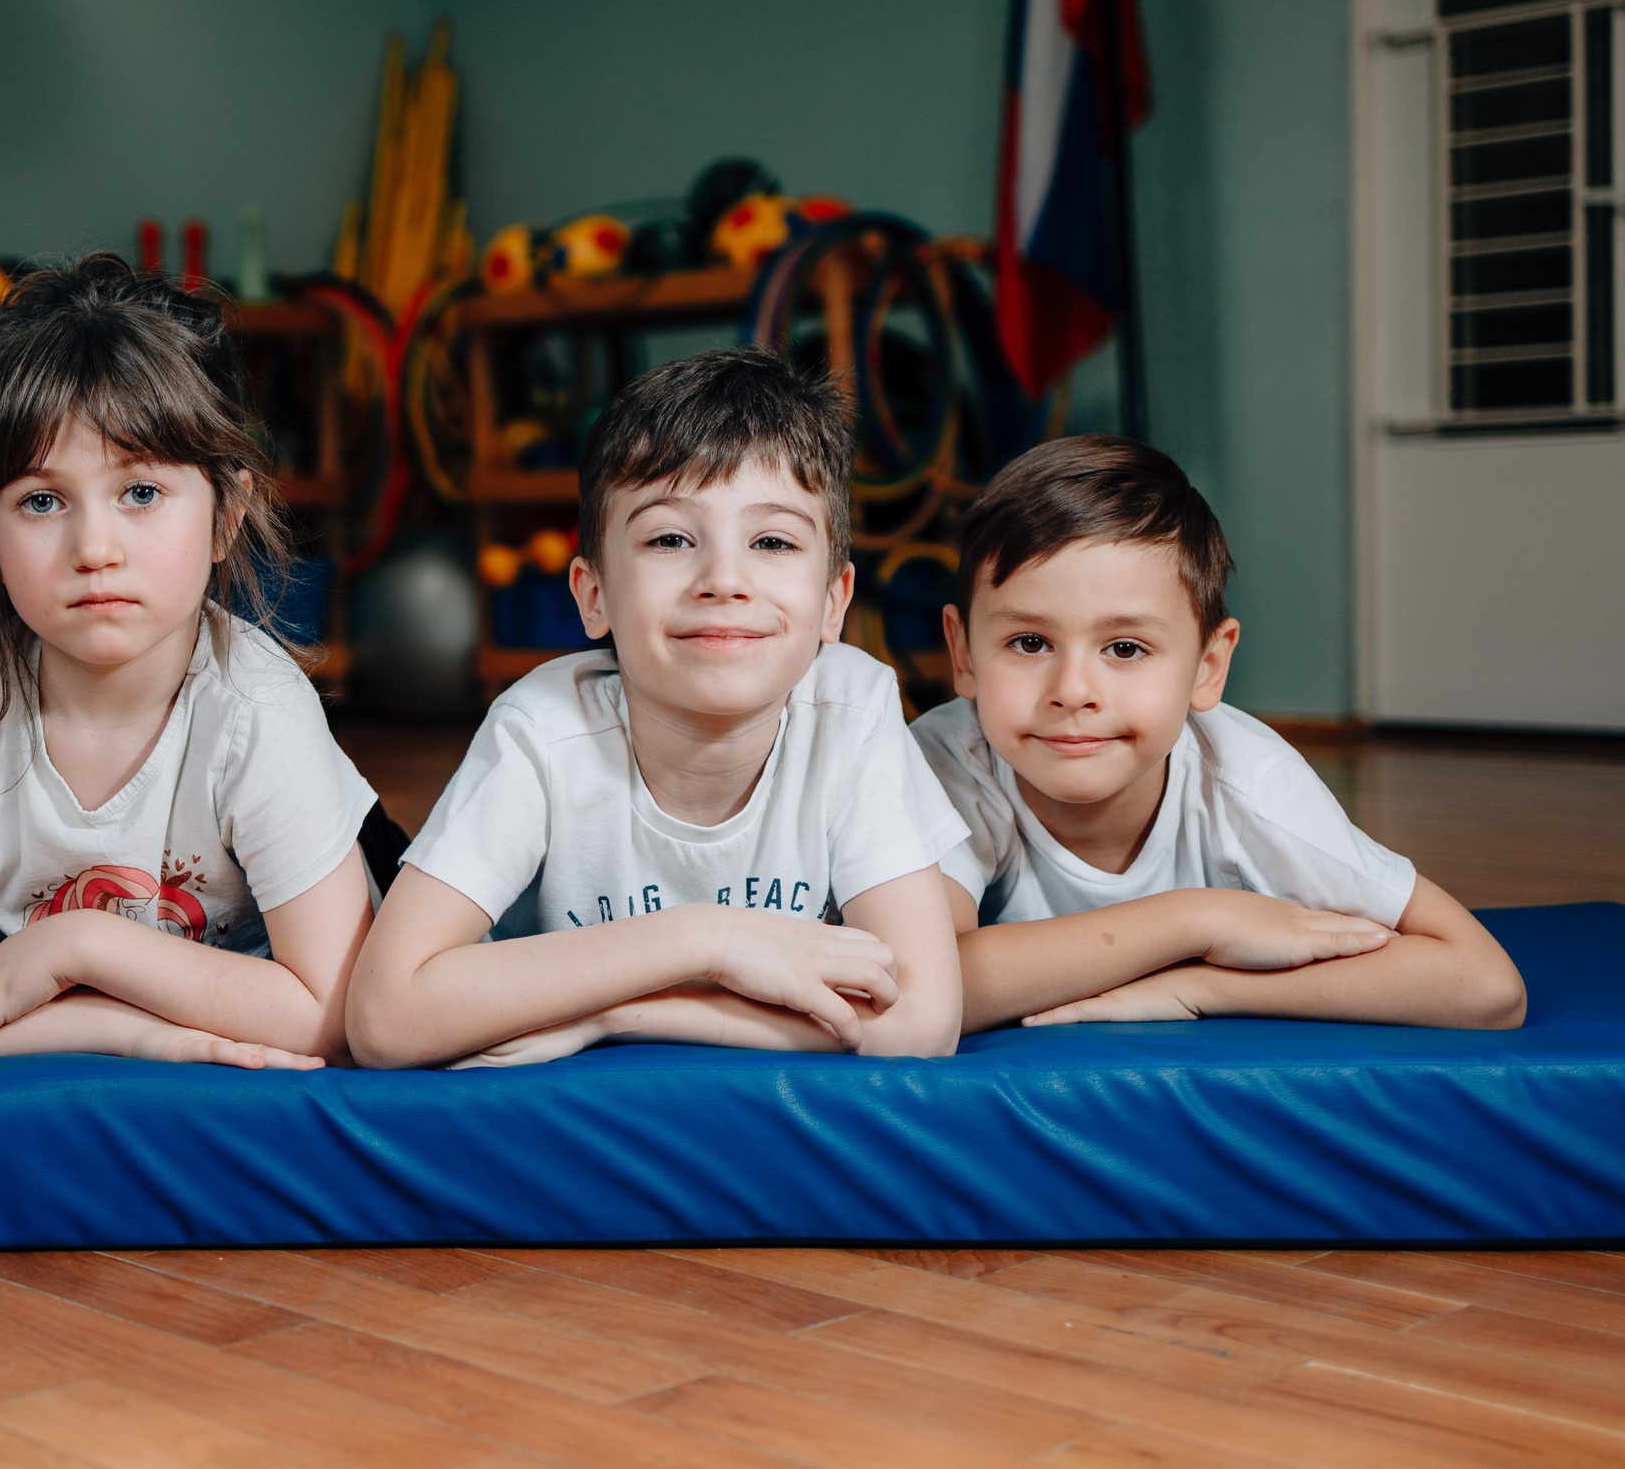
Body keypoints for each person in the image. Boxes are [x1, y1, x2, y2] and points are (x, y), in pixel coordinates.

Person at [347, 347, 968, 1070]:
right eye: (670, 538)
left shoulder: (852, 709)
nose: (724, 579)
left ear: (834, 602)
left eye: (772, 540)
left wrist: (626, 1010)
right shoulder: (543, 729)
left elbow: (922, 1023)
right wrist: (702, 939)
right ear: (592, 594)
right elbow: (384, 1016)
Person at [0, 255, 379, 1068]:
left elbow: (334, 1013)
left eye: (140, 492)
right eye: (42, 501)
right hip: (182, 1043)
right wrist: (136, 1032)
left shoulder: (257, 708)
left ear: (225, 518)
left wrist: (76, 946)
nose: (94, 550)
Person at [918, 434, 1527, 1031]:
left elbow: (1487, 988)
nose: (1073, 690)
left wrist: (1200, 986)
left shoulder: (1251, 786)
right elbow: (913, 991)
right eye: (1029, 642)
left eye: (1125, 648)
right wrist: (1197, 921)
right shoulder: (947, 762)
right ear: (964, 653)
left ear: (1208, 668)